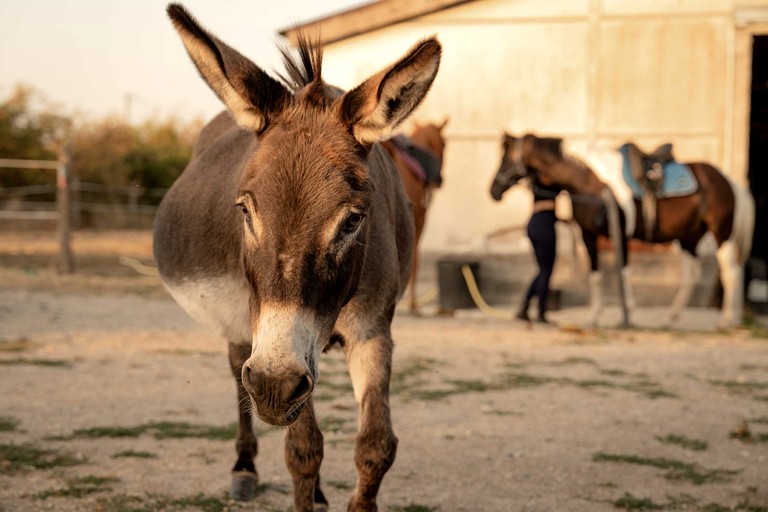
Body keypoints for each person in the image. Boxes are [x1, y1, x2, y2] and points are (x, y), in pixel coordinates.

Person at [516, 176, 563, 323]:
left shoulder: (536, 182)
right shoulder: (549, 180)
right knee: (545, 271)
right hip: (544, 227)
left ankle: (525, 306)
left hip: (535, 223)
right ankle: (541, 311)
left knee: (542, 270)